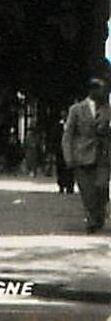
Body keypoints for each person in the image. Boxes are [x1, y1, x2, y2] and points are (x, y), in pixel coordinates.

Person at [62, 73, 111, 232]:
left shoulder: (107, 109)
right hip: (82, 156)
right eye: (101, 89)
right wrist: (69, 157)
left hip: (103, 156)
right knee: (87, 191)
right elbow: (68, 135)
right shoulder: (76, 110)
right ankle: (92, 220)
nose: (104, 93)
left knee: (102, 187)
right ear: (92, 90)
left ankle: (99, 215)